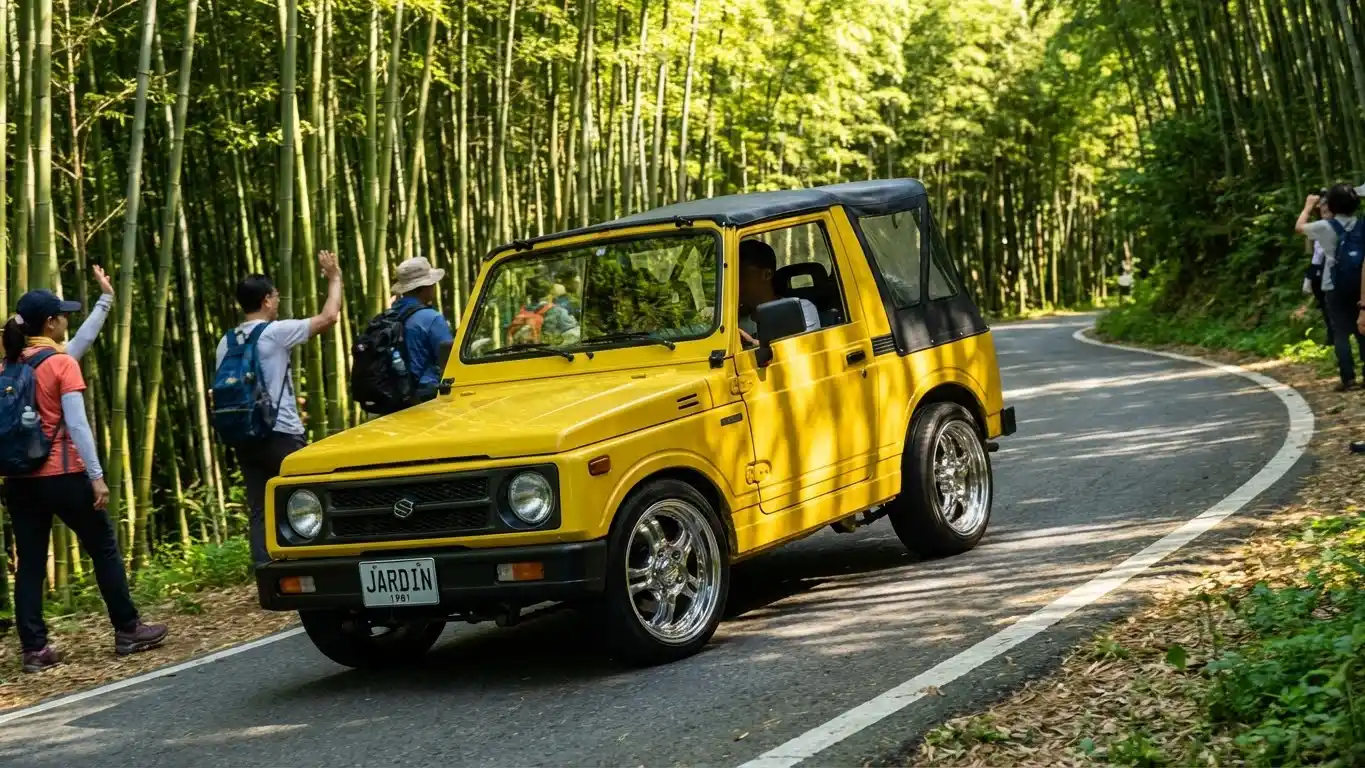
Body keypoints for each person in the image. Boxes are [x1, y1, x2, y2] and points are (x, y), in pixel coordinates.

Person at [2, 290, 167, 672]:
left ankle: (34, 650)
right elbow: (77, 425)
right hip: (63, 475)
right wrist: (96, 476)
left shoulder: (8, 365)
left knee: (29, 563)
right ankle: (128, 629)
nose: (66, 321)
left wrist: (106, 302)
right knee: (103, 547)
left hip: (18, 480)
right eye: (62, 315)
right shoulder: (60, 365)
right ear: (50, 323)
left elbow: (82, 341)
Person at [215, 250, 342, 565]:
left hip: (244, 436)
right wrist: (335, 278)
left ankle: (265, 569)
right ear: (267, 300)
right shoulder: (274, 333)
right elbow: (329, 317)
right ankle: (316, 565)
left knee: (259, 508)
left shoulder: (225, 342)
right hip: (280, 433)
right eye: (276, 297)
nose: (278, 302)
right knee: (309, 498)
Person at [1297, 184, 1365, 390]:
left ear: (1331, 206)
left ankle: (1348, 378)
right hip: (1361, 283)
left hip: (1333, 284)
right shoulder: (1363, 225)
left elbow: (1299, 227)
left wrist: (1308, 207)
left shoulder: (1325, 227)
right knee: (1363, 329)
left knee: (1340, 332)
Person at [388, 257, 455, 402]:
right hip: (426, 395)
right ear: (424, 288)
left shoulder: (390, 315)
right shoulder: (431, 318)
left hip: (395, 396)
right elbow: (450, 361)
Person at [737, 239, 819, 348]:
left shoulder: (800, 309)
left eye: (743, 275)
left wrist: (754, 344)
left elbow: (807, 349)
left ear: (767, 274)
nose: (737, 282)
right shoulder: (736, 320)